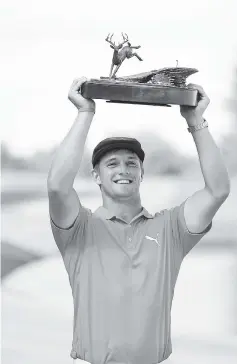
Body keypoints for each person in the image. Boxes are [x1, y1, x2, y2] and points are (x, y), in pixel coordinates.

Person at [47, 77, 230, 364]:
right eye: (112, 163)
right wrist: (85, 112)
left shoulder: (170, 229)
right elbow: (58, 186)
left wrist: (196, 121)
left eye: (132, 163)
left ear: (141, 174)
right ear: (96, 176)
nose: (124, 169)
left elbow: (218, 191)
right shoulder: (79, 229)